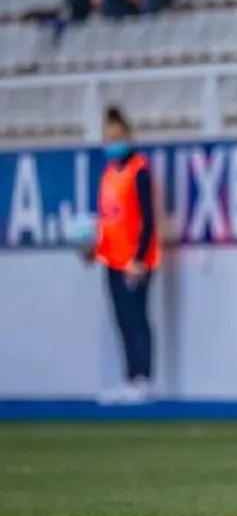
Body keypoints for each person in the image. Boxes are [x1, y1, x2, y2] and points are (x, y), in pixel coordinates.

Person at [81, 107, 161, 405]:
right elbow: (108, 218)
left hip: (135, 260)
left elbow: (148, 218)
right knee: (122, 320)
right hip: (112, 258)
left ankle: (144, 378)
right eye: (108, 136)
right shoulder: (108, 174)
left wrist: (139, 258)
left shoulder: (139, 169)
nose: (111, 141)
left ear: (127, 135)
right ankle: (129, 378)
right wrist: (93, 247)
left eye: (116, 135)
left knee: (137, 318)